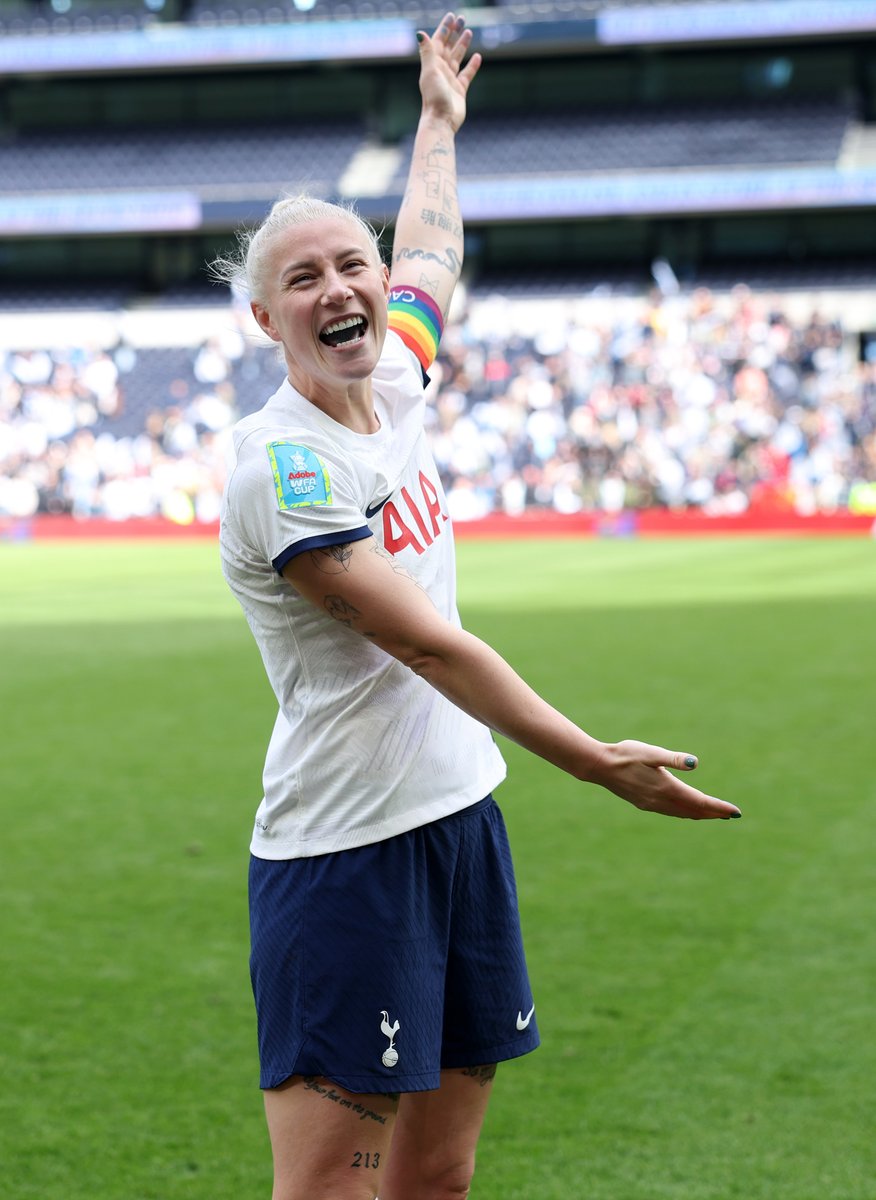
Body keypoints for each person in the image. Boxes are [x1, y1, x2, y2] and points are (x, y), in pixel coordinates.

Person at [217, 14, 742, 1200]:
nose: (341, 287)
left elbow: (433, 253)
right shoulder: (285, 470)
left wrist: (439, 124)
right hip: (346, 854)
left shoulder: (396, 375)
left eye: (352, 264)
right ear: (265, 321)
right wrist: (595, 760)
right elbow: (428, 644)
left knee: (440, 1178)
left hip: (461, 822)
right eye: (303, 278)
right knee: (331, 1194)